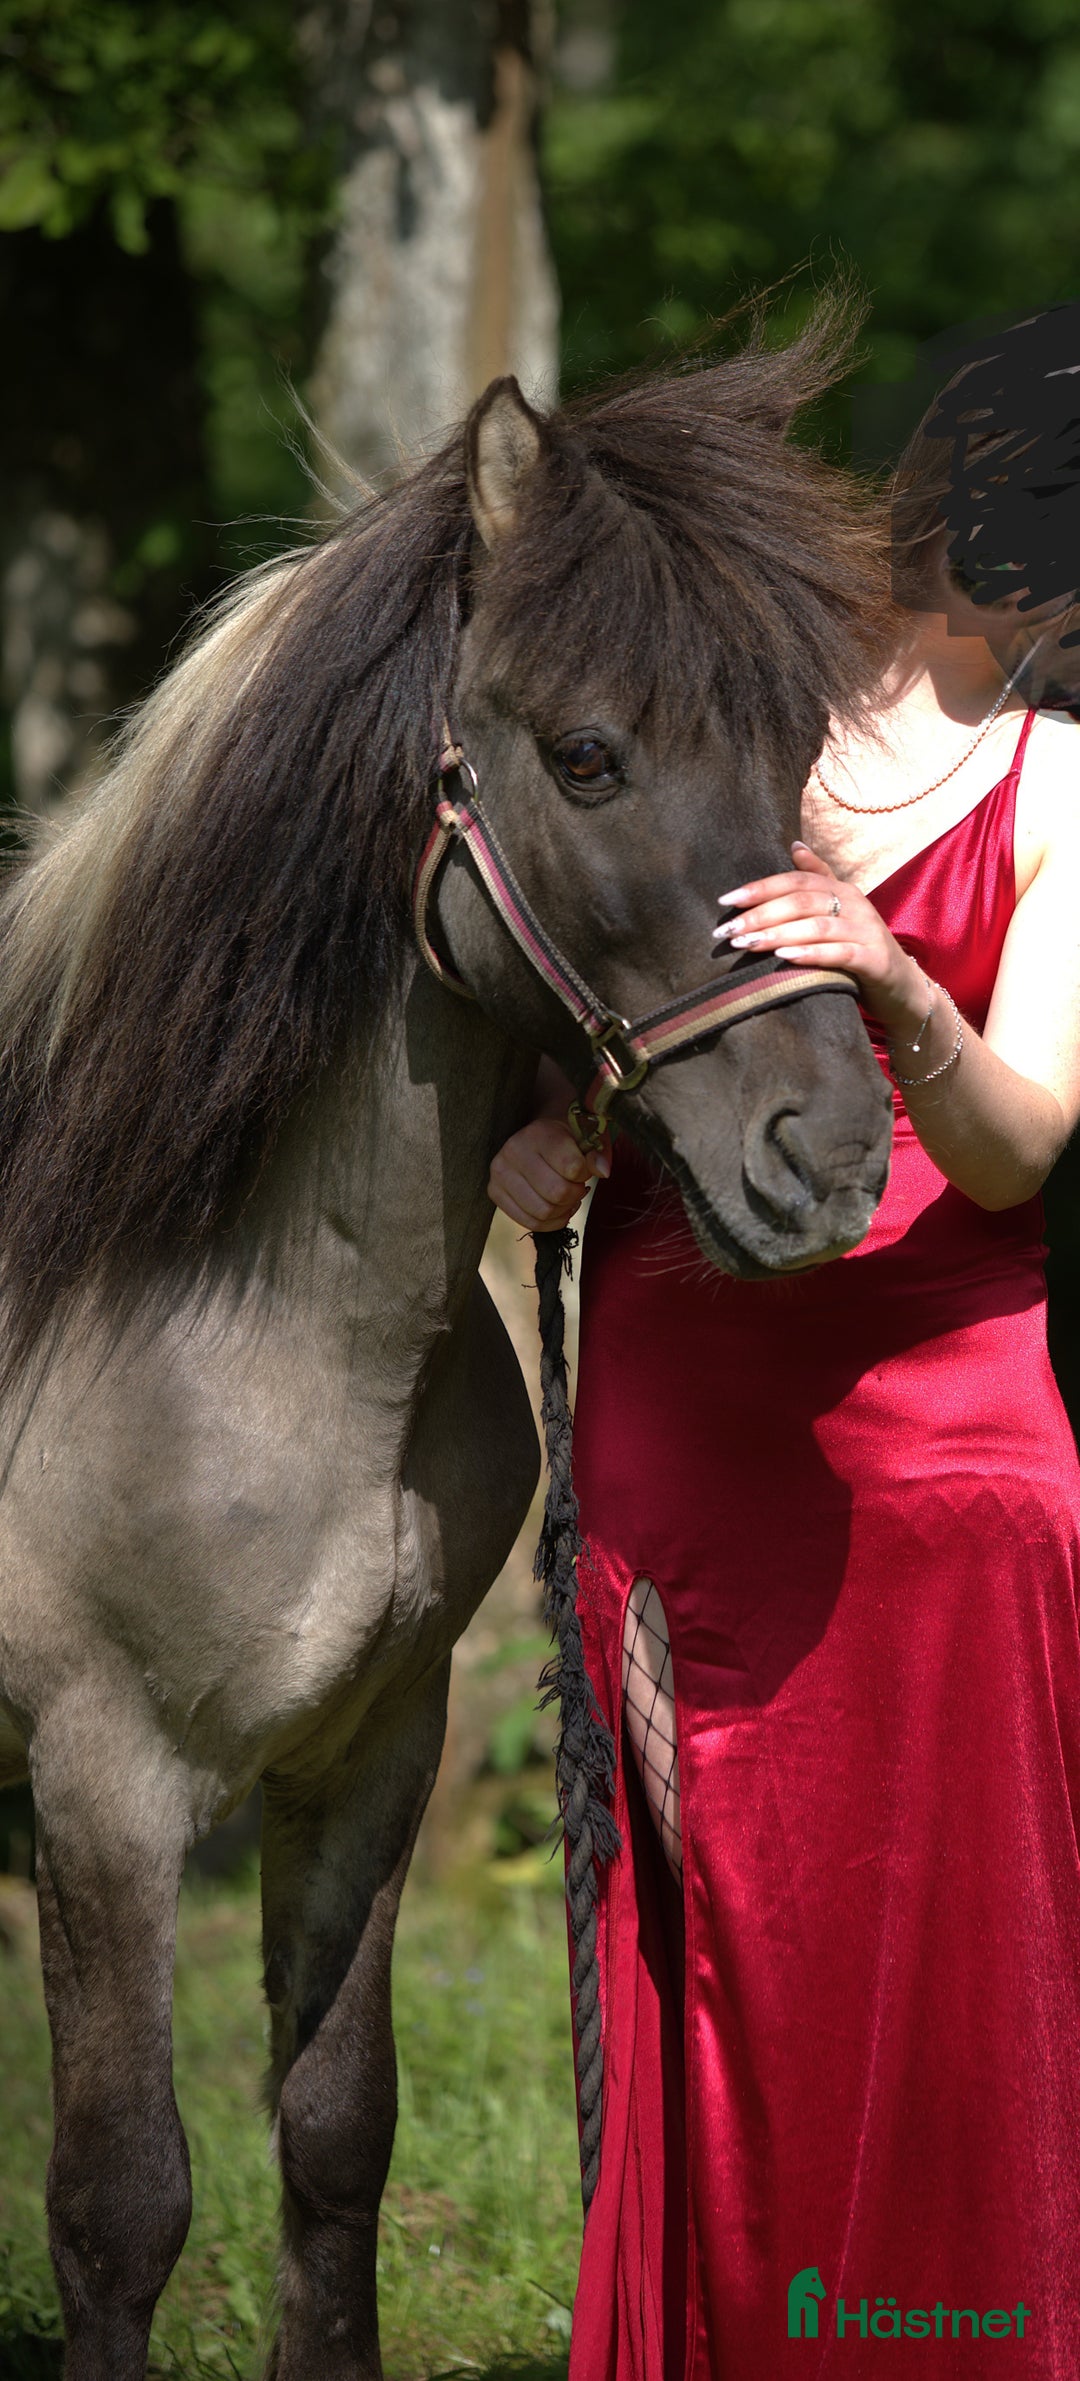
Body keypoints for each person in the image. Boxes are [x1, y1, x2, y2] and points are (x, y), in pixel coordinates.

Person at [488, 312, 1080, 2378]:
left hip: (956, 1426)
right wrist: (547, 1128)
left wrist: (898, 987)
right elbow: (589, 955)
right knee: (729, 1919)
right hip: (692, 1386)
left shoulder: (1065, 785)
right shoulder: (743, 694)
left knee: (957, 1950)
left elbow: (1015, 1153)